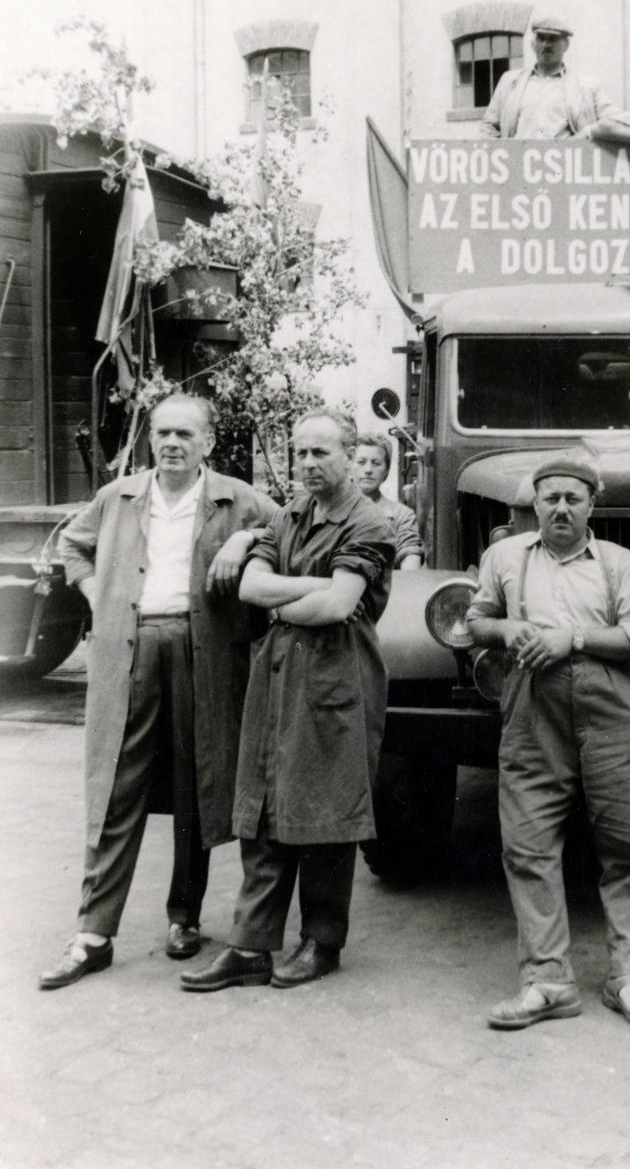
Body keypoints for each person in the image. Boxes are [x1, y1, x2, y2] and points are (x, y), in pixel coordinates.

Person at [40, 394, 275, 990]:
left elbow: (284, 525)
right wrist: (96, 593)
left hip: (205, 650)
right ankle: (93, 933)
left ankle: (184, 919)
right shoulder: (117, 497)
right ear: (151, 439)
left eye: (184, 435)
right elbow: (71, 544)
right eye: (162, 433)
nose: (171, 443)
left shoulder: (235, 497)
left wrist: (243, 542)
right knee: (118, 785)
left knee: (197, 782)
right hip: (132, 647)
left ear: (208, 443)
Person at [180, 407, 394, 992]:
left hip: (335, 680)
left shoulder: (368, 524)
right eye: (300, 451)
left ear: (351, 457)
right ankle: (250, 945)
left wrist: (284, 599)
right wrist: (307, 591)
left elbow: (336, 609)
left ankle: (322, 943)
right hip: (277, 676)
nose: (307, 463)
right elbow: (252, 587)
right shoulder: (294, 512)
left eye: (321, 452)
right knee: (265, 807)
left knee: (325, 810)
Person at [466, 453, 630, 1034]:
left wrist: (571, 639)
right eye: (550, 497)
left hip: (611, 707)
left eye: (573, 498)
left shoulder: (618, 562)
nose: (561, 507)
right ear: (534, 503)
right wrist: (507, 628)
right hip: (532, 710)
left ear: (591, 506)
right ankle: (548, 982)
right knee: (528, 843)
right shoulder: (504, 556)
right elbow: (475, 621)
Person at [479, 14, 617, 139]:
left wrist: (587, 133)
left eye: (553, 39)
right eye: (541, 38)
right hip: (519, 163)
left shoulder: (587, 85)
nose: (546, 45)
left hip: (567, 164)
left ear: (566, 45)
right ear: (533, 44)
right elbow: (489, 127)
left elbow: (613, 121)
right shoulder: (509, 81)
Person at [355, 431, 424, 570]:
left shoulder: (402, 515)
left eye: (376, 463)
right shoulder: (333, 510)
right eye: (361, 462)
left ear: (386, 470)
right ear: (349, 466)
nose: (368, 470)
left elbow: (410, 554)